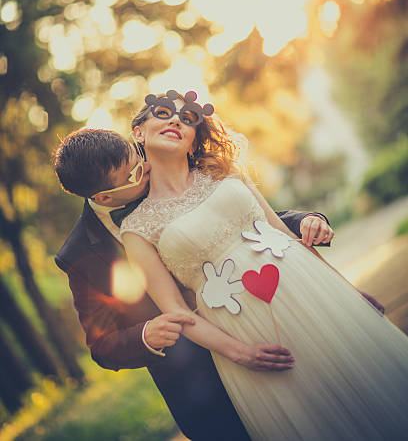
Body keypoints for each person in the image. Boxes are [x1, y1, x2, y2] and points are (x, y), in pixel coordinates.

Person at [118, 89, 408, 441]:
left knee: (368, 382)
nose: (176, 120)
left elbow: (281, 231)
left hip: (309, 291)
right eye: (163, 113)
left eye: (188, 118)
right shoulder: (136, 229)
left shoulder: (226, 173)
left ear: (194, 139)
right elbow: (178, 311)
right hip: (244, 332)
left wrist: (347, 291)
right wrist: (240, 352)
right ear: (139, 132)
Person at [54, 127, 340, 441]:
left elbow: (242, 220)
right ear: (104, 197)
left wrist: (302, 221)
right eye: (135, 172)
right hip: (204, 387)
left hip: (269, 331)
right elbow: (102, 345)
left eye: (139, 154)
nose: (147, 166)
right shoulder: (79, 253)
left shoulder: (168, 161)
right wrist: (146, 335)